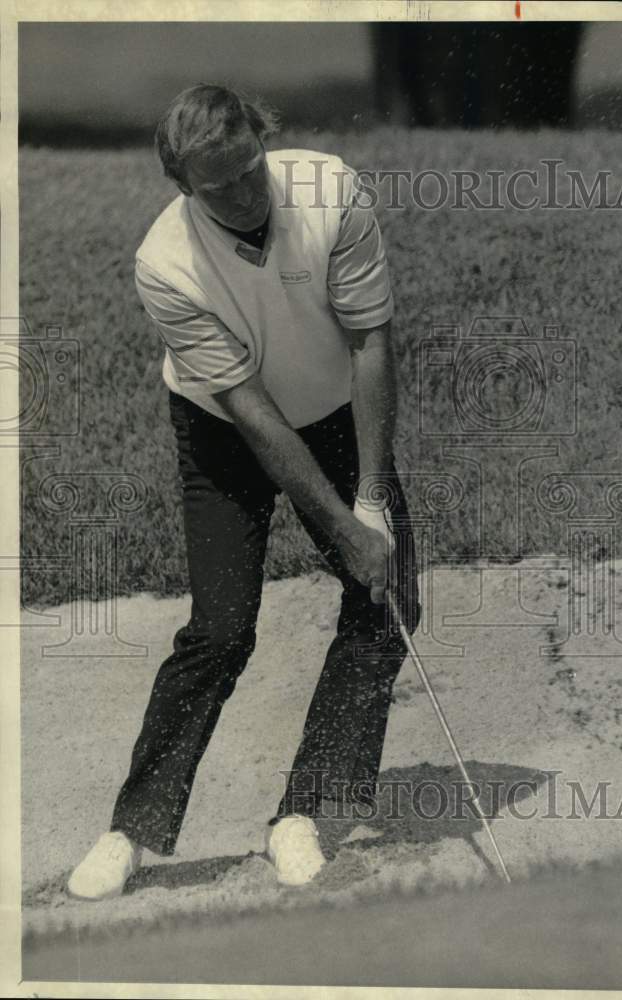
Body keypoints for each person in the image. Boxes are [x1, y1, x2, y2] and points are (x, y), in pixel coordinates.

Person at [67, 84, 420, 900]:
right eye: (215, 186)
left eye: (249, 170)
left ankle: (300, 812)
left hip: (336, 411)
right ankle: (131, 829)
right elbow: (256, 419)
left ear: (264, 142)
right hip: (225, 434)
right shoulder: (165, 264)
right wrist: (339, 521)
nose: (241, 194)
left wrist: (369, 499)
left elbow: (370, 341)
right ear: (182, 185)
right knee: (222, 630)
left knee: (386, 592)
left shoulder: (333, 192)